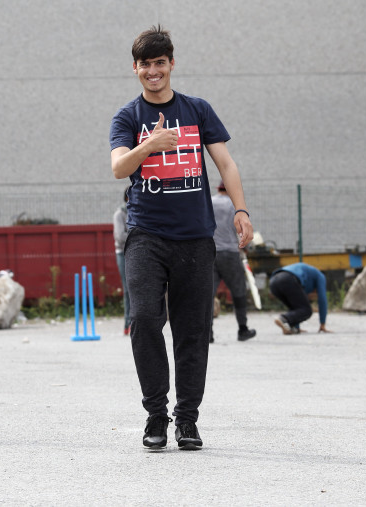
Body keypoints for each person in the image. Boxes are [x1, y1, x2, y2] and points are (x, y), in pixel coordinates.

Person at [109, 26, 253, 450]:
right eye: (145, 65)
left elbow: (226, 164)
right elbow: (119, 168)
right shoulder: (128, 117)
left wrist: (241, 210)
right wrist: (150, 144)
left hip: (195, 238)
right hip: (146, 237)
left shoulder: (197, 109)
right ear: (135, 68)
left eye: (160, 63)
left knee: (193, 330)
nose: (153, 71)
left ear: (171, 63)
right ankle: (156, 415)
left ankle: (186, 421)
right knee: (146, 320)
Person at [210, 180, 256, 343]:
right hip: (230, 252)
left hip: (211, 252)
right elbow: (243, 229)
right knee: (238, 291)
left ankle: (208, 332)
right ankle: (242, 329)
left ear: (218, 189)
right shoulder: (234, 205)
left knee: (209, 293)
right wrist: (246, 247)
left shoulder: (210, 202)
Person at [268, 263, 332, 334]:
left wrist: (297, 327)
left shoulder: (307, 276)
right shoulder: (320, 276)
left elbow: (297, 307)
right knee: (307, 310)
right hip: (288, 278)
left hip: (273, 282)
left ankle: (290, 326)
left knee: (297, 308)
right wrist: (322, 324)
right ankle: (284, 318)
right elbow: (322, 299)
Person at [112, 187, 131, 335]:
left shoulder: (139, 213)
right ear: (127, 199)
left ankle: (135, 322)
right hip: (123, 254)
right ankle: (127, 324)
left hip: (137, 252)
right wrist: (137, 235)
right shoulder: (120, 214)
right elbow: (120, 236)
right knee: (128, 289)